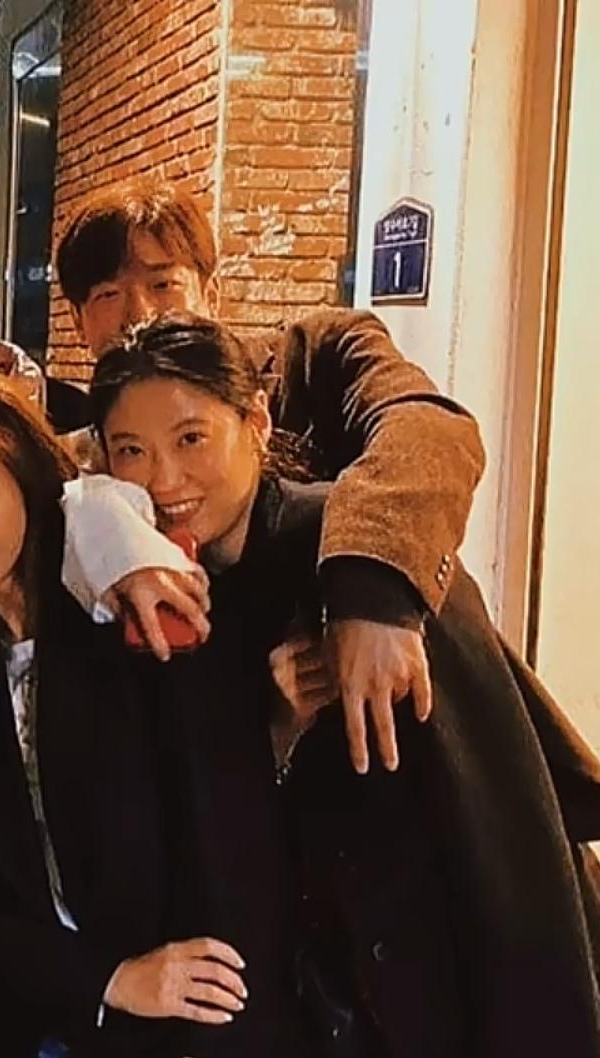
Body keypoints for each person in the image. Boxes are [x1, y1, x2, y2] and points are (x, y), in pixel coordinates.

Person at [83, 313, 600, 1058]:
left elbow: (500, 809)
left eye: (192, 439)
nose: (163, 480)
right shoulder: (160, 585)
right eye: (131, 451)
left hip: (449, 972)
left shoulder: (356, 550)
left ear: (257, 422)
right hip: (323, 999)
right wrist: (276, 727)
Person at [0, 375, 257, 1058]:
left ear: (28, 489)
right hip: (21, 1030)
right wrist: (104, 981)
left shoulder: (127, 617)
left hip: (177, 1035)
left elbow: (217, 830)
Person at [51, 178, 488, 775]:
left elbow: (427, 428)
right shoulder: (87, 458)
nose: (140, 313)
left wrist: (370, 590)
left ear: (210, 291)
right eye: (108, 294)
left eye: (163, 283)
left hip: (394, 700)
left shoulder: (316, 354)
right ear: (78, 321)